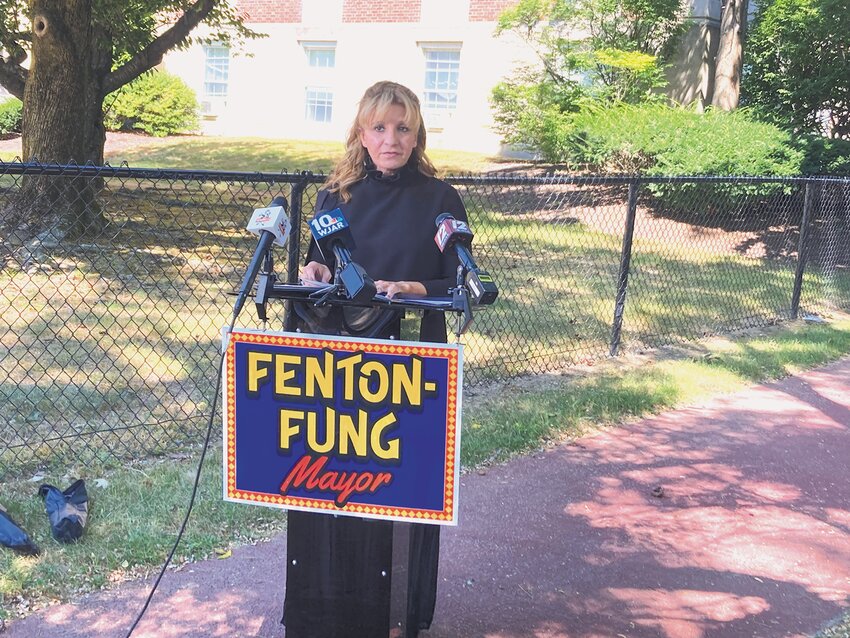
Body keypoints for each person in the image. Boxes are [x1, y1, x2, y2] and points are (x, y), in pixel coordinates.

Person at [282, 81, 469, 638]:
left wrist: (416, 286)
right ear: (361, 134)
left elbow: (459, 276)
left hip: (410, 363)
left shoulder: (441, 199)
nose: (391, 139)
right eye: (380, 127)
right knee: (331, 485)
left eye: (403, 128)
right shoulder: (333, 195)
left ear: (417, 136)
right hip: (337, 368)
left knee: (395, 490)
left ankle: (397, 615)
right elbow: (322, 265)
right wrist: (312, 272)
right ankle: (324, 610)